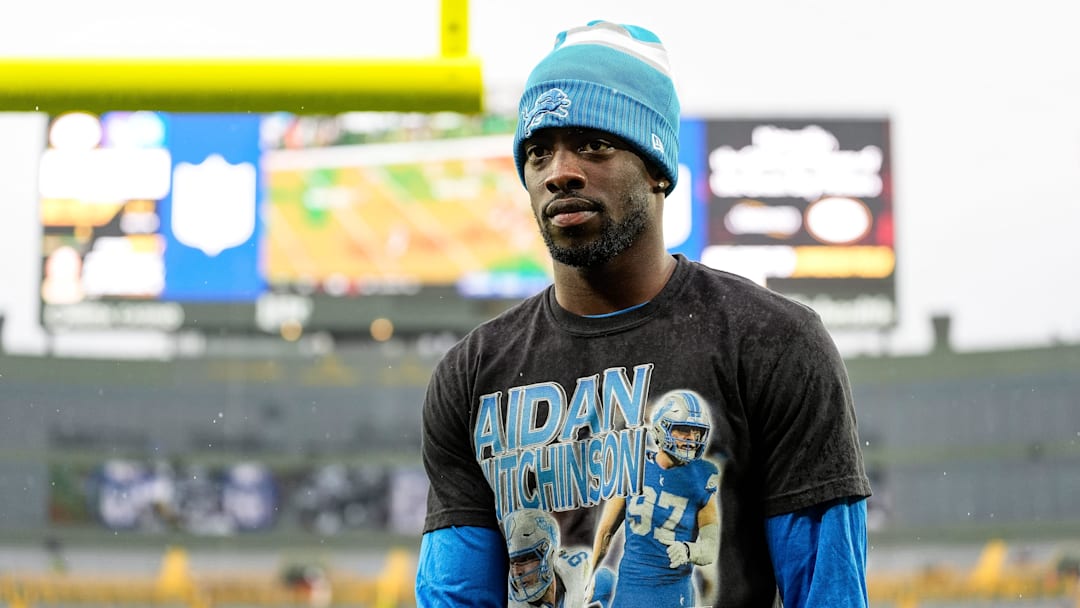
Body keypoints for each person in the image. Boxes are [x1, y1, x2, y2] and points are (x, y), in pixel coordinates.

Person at [416, 19, 872, 607]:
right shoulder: (473, 374)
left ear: (658, 167)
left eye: (594, 145)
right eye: (537, 151)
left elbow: (828, 593)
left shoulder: (772, 342)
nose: (560, 171)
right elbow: (454, 597)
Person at [590, 390, 721, 607]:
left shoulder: (703, 477)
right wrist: (587, 578)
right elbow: (605, 532)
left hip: (671, 590)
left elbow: (710, 547)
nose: (691, 438)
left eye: (696, 432)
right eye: (683, 430)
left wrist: (689, 550)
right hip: (630, 585)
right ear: (662, 427)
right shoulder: (634, 466)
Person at [503, 508, 616, 608]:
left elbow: (611, 584)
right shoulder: (509, 600)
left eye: (525, 559)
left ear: (549, 555)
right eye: (512, 562)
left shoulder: (577, 572)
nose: (516, 571)